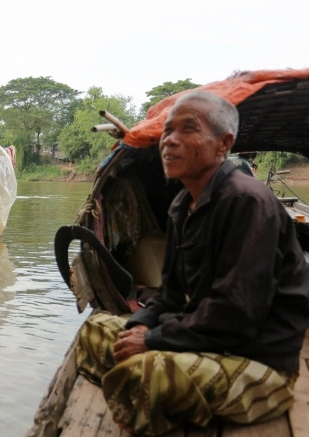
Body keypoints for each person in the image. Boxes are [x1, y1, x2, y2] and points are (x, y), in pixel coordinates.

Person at [76, 91, 309, 436]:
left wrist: (154, 339)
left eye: (188, 130)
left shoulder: (246, 202)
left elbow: (236, 314)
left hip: (255, 359)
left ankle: (154, 399)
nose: (169, 141)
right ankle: (155, 398)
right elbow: (169, 295)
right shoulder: (182, 205)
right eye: (167, 132)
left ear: (223, 143)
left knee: (144, 372)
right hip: (205, 337)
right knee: (95, 332)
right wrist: (140, 324)